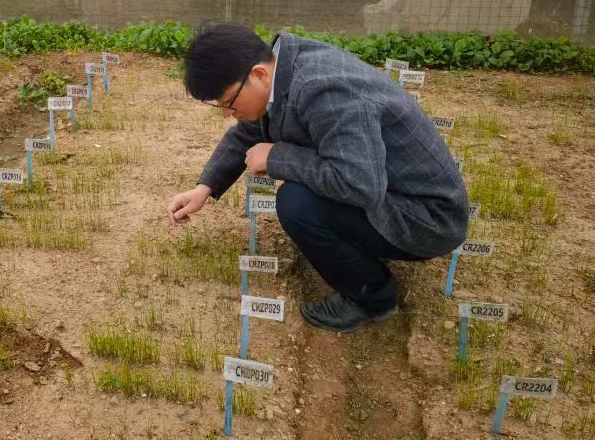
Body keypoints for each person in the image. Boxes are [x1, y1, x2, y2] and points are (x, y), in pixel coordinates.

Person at [167, 22, 468, 332]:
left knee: (296, 203)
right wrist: (204, 187)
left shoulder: (323, 89)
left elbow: (360, 185)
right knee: (303, 192)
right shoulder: (283, 70)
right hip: (395, 190)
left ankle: (373, 297)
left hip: (428, 219)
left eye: (229, 103)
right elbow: (247, 131)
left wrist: (276, 157)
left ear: (258, 74)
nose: (227, 113)